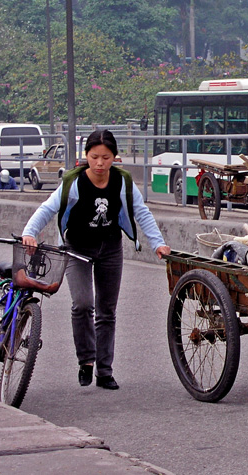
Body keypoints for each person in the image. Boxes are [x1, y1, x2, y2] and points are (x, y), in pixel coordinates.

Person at [22, 129, 170, 391]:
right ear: (86, 157)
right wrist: (29, 232)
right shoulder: (74, 182)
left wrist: (158, 243)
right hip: (77, 247)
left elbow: (142, 213)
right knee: (82, 304)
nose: (100, 163)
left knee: (106, 311)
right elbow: (48, 208)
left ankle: (104, 370)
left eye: (105, 157)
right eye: (94, 157)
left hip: (110, 248)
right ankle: (86, 361)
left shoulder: (122, 182)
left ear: (114, 157)